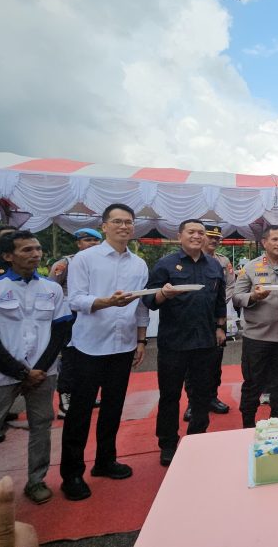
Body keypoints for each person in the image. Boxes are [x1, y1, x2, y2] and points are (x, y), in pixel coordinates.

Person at [0, 231, 73, 504]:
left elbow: (60, 332)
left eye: (37, 249)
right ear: (7, 255)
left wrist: (39, 369)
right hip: (1, 375)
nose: (35, 254)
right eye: (26, 250)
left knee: (41, 427)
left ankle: (36, 481)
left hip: (44, 373)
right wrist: (21, 372)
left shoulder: (51, 289)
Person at [60, 204, 150, 501]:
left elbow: (140, 306)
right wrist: (107, 302)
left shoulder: (139, 264)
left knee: (113, 407)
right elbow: (75, 299)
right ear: (104, 226)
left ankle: (105, 460)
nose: (124, 227)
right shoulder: (85, 259)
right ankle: (72, 473)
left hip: (123, 345)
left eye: (129, 222)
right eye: (118, 221)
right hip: (89, 345)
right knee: (80, 411)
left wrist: (141, 340)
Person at [142, 219, 227, 467]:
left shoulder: (214, 265)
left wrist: (220, 327)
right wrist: (163, 294)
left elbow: (219, 300)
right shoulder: (166, 264)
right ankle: (168, 444)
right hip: (174, 342)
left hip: (205, 342)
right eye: (191, 232)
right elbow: (149, 300)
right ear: (180, 236)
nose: (197, 236)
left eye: (201, 233)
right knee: (169, 396)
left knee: (202, 395)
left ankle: (197, 438)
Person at [233, 225, 278, 428]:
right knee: (253, 383)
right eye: (275, 239)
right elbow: (236, 297)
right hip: (257, 337)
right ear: (264, 242)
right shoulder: (251, 267)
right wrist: (253, 296)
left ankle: (276, 421)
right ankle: (248, 424)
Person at [181, 224, 234, 422]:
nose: (213, 241)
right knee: (192, 363)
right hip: (194, 318)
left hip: (217, 317)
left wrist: (217, 303)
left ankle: (212, 397)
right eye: (210, 237)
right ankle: (193, 402)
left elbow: (230, 285)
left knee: (215, 361)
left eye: (217, 238)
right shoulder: (189, 259)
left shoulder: (223, 261)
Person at [48, 227, 103, 420]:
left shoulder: (102, 263)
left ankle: (87, 394)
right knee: (70, 359)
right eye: (88, 241)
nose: (93, 244)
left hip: (94, 314)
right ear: (79, 244)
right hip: (70, 317)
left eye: (96, 241)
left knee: (91, 358)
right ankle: (66, 398)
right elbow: (51, 290)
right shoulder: (66, 263)